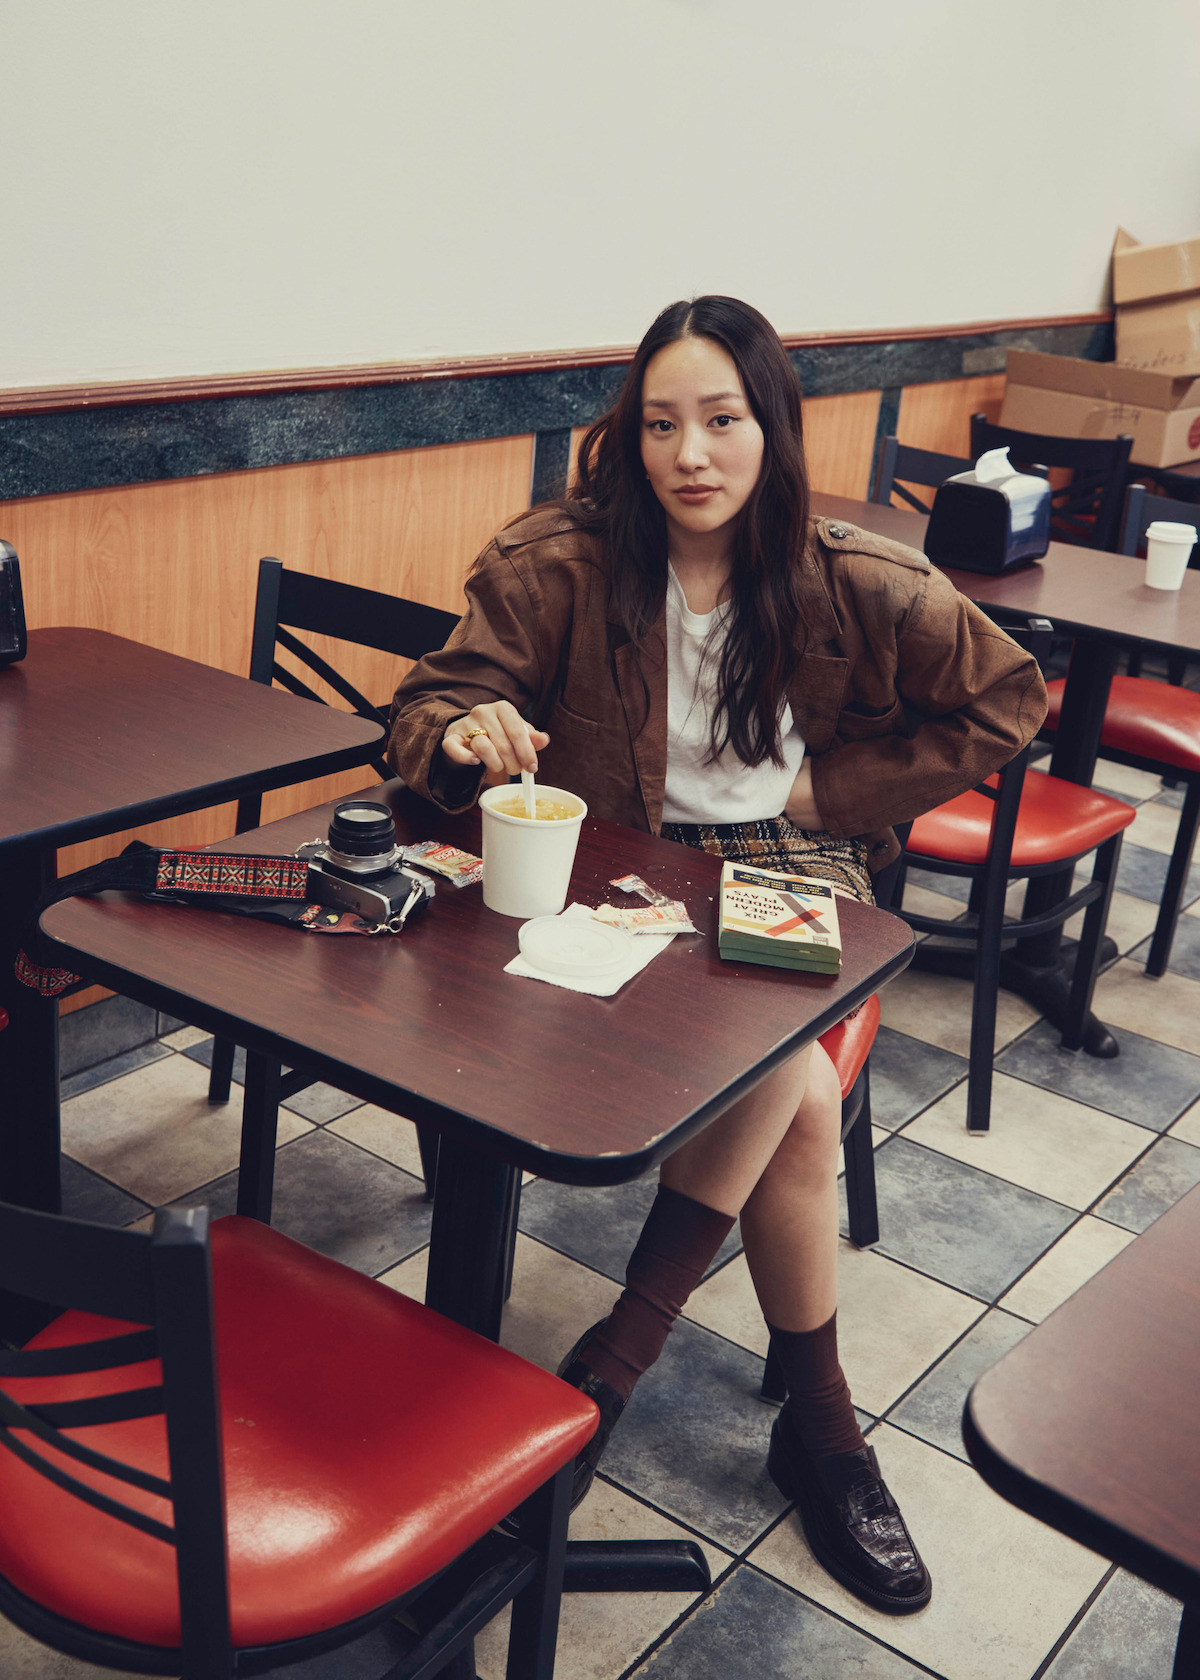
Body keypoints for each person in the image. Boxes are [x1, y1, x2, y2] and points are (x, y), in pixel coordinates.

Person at [388, 295, 1047, 1616]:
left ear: (772, 428)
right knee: (799, 1093)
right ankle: (818, 1425)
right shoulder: (559, 560)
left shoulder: (855, 575)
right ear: (630, 437)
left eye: (723, 421)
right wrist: (461, 735)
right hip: (621, 867)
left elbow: (1009, 696)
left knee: (773, 1053)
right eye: (661, 424)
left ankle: (620, 1366)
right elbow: (438, 696)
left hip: (789, 872)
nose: (691, 453)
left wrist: (828, 796)